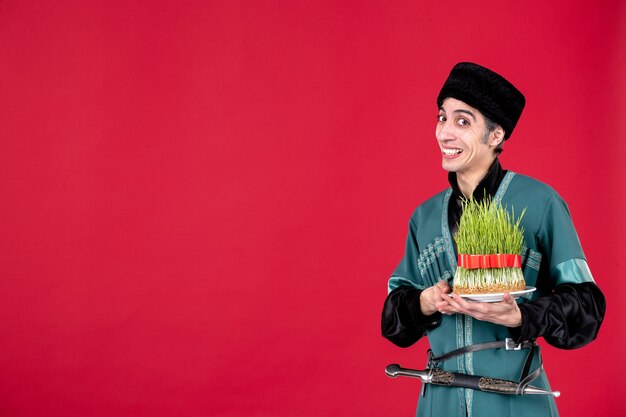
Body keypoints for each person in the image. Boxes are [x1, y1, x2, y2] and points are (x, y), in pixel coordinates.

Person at [381, 62, 606, 417]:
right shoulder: (423, 218)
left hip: (516, 399)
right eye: (442, 117)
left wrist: (521, 316)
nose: (444, 133)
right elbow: (393, 318)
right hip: (439, 403)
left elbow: (586, 308)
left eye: (463, 121)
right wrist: (425, 300)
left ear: (496, 135)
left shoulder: (540, 203)